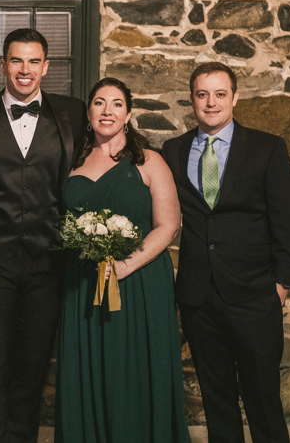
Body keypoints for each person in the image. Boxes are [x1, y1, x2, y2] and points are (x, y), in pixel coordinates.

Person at [0, 28, 87, 443]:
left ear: (46, 66)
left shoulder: (74, 113)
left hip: (49, 260)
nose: (25, 70)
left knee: (32, 365)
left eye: (33, 61)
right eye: (16, 60)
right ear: (3, 65)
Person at [162, 62, 290, 443]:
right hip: (198, 296)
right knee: (216, 398)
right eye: (202, 94)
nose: (211, 103)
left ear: (235, 98)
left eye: (220, 94)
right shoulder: (172, 150)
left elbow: (287, 221)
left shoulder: (266, 148)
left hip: (255, 294)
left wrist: (282, 284)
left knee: (263, 399)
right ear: (192, 99)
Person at [55, 78, 191, 442]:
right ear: (88, 112)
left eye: (116, 104)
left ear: (128, 114)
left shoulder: (149, 161)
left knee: (133, 368)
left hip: (139, 282)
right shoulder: (72, 162)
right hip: (82, 282)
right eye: (99, 103)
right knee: (89, 368)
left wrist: (127, 265)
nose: (107, 111)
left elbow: (168, 224)